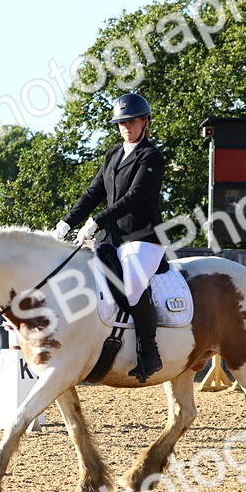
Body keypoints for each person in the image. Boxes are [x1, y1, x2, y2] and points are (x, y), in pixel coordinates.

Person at [54, 93, 166, 382]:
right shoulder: (113, 155)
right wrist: (67, 222)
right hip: (111, 238)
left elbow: (135, 197)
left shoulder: (151, 156)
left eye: (132, 121)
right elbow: (93, 192)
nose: (126, 127)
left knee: (130, 287)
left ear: (144, 122)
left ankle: (149, 352)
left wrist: (97, 221)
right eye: (121, 123)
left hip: (142, 237)